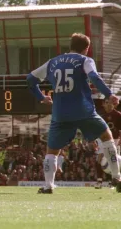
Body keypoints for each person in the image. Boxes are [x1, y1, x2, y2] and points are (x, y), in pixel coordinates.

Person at [27, 33, 121, 194]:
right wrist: (109, 94)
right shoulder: (85, 60)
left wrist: (42, 98)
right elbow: (94, 78)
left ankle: (48, 186)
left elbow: (30, 79)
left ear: (70, 45)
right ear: (87, 48)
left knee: (52, 151)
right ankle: (116, 177)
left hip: (60, 113)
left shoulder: (52, 62)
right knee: (106, 137)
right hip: (84, 111)